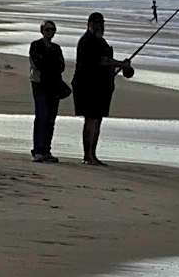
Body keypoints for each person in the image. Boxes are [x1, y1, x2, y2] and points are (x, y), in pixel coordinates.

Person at [72, 12, 131, 166]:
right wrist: (121, 64)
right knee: (91, 119)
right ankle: (87, 156)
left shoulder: (101, 41)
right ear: (89, 24)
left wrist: (121, 66)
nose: (100, 25)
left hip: (102, 87)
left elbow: (107, 62)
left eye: (101, 23)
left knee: (97, 120)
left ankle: (93, 155)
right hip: (87, 86)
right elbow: (102, 60)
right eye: (96, 23)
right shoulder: (87, 41)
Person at [29, 20, 66, 162]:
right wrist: (51, 66)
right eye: (48, 30)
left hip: (54, 84)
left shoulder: (56, 48)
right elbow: (37, 63)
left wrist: (50, 66)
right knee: (41, 116)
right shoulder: (35, 45)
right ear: (42, 31)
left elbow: (61, 66)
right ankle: (38, 150)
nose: (50, 32)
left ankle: (46, 150)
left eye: (53, 30)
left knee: (51, 118)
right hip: (39, 84)